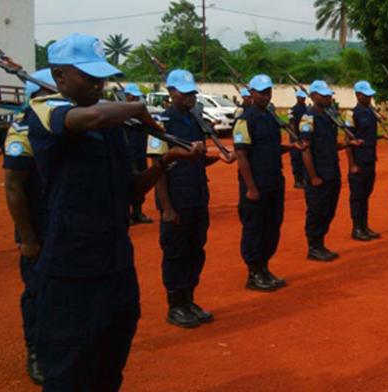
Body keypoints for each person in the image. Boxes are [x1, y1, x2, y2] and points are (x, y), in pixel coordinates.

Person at [25, 33, 203, 390]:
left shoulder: (111, 128)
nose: (98, 83)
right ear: (60, 77)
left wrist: (166, 160)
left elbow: (131, 189)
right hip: (70, 267)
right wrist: (138, 108)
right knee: (69, 371)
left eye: (101, 76)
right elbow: (90, 118)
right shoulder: (45, 110)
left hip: (116, 263)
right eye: (88, 76)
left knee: (110, 364)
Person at [147, 69, 235, 329]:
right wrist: (166, 207)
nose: (190, 97)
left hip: (197, 196)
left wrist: (217, 158)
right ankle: (175, 305)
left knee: (196, 250)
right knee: (176, 252)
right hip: (176, 198)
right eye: (184, 93)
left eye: (192, 93)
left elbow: (196, 158)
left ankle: (189, 300)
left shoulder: (195, 119)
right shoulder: (162, 123)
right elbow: (157, 165)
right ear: (171, 92)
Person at [3, 68, 54, 385]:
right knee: (38, 291)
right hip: (37, 226)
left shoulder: (63, 128)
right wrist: (28, 238)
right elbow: (13, 188)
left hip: (64, 223)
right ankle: (35, 350)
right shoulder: (23, 131)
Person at [233, 74, 295, 291]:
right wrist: (250, 187)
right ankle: (253, 273)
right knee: (255, 228)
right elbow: (241, 156)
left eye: (268, 92)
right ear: (251, 93)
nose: (266, 96)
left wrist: (291, 148)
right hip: (255, 184)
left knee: (272, 226)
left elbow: (272, 148)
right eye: (261, 92)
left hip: (273, 181)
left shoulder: (270, 117)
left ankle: (264, 268)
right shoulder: (244, 120)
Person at [299, 80, 362, 261]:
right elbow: (306, 149)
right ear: (313, 96)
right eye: (323, 94)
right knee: (316, 210)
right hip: (318, 173)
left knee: (329, 209)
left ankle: (320, 242)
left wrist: (347, 144)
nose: (327, 97)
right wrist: (313, 176)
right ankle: (314, 246)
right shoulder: (308, 119)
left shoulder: (329, 117)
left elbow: (330, 144)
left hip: (332, 170)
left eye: (328, 94)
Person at [345, 80, 383, 240]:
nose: (369, 98)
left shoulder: (369, 112)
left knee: (366, 194)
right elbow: (348, 140)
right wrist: (352, 164)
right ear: (358, 95)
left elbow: (369, 136)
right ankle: (357, 228)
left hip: (369, 159)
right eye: (366, 95)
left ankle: (364, 226)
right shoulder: (352, 114)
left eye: (370, 96)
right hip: (358, 162)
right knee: (357, 195)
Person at [122, 83, 153, 225]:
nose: (134, 98)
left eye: (136, 96)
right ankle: (126, 214)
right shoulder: (120, 113)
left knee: (140, 183)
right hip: (126, 155)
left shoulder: (142, 112)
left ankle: (138, 211)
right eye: (131, 96)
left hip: (140, 152)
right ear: (126, 96)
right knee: (126, 184)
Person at [289, 90, 309, 189]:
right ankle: (297, 181)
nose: (303, 99)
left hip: (304, 136)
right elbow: (292, 124)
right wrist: (296, 137)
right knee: (296, 160)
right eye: (301, 97)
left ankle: (304, 179)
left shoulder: (307, 109)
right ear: (297, 98)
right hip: (296, 138)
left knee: (305, 160)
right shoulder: (292, 110)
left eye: (304, 97)